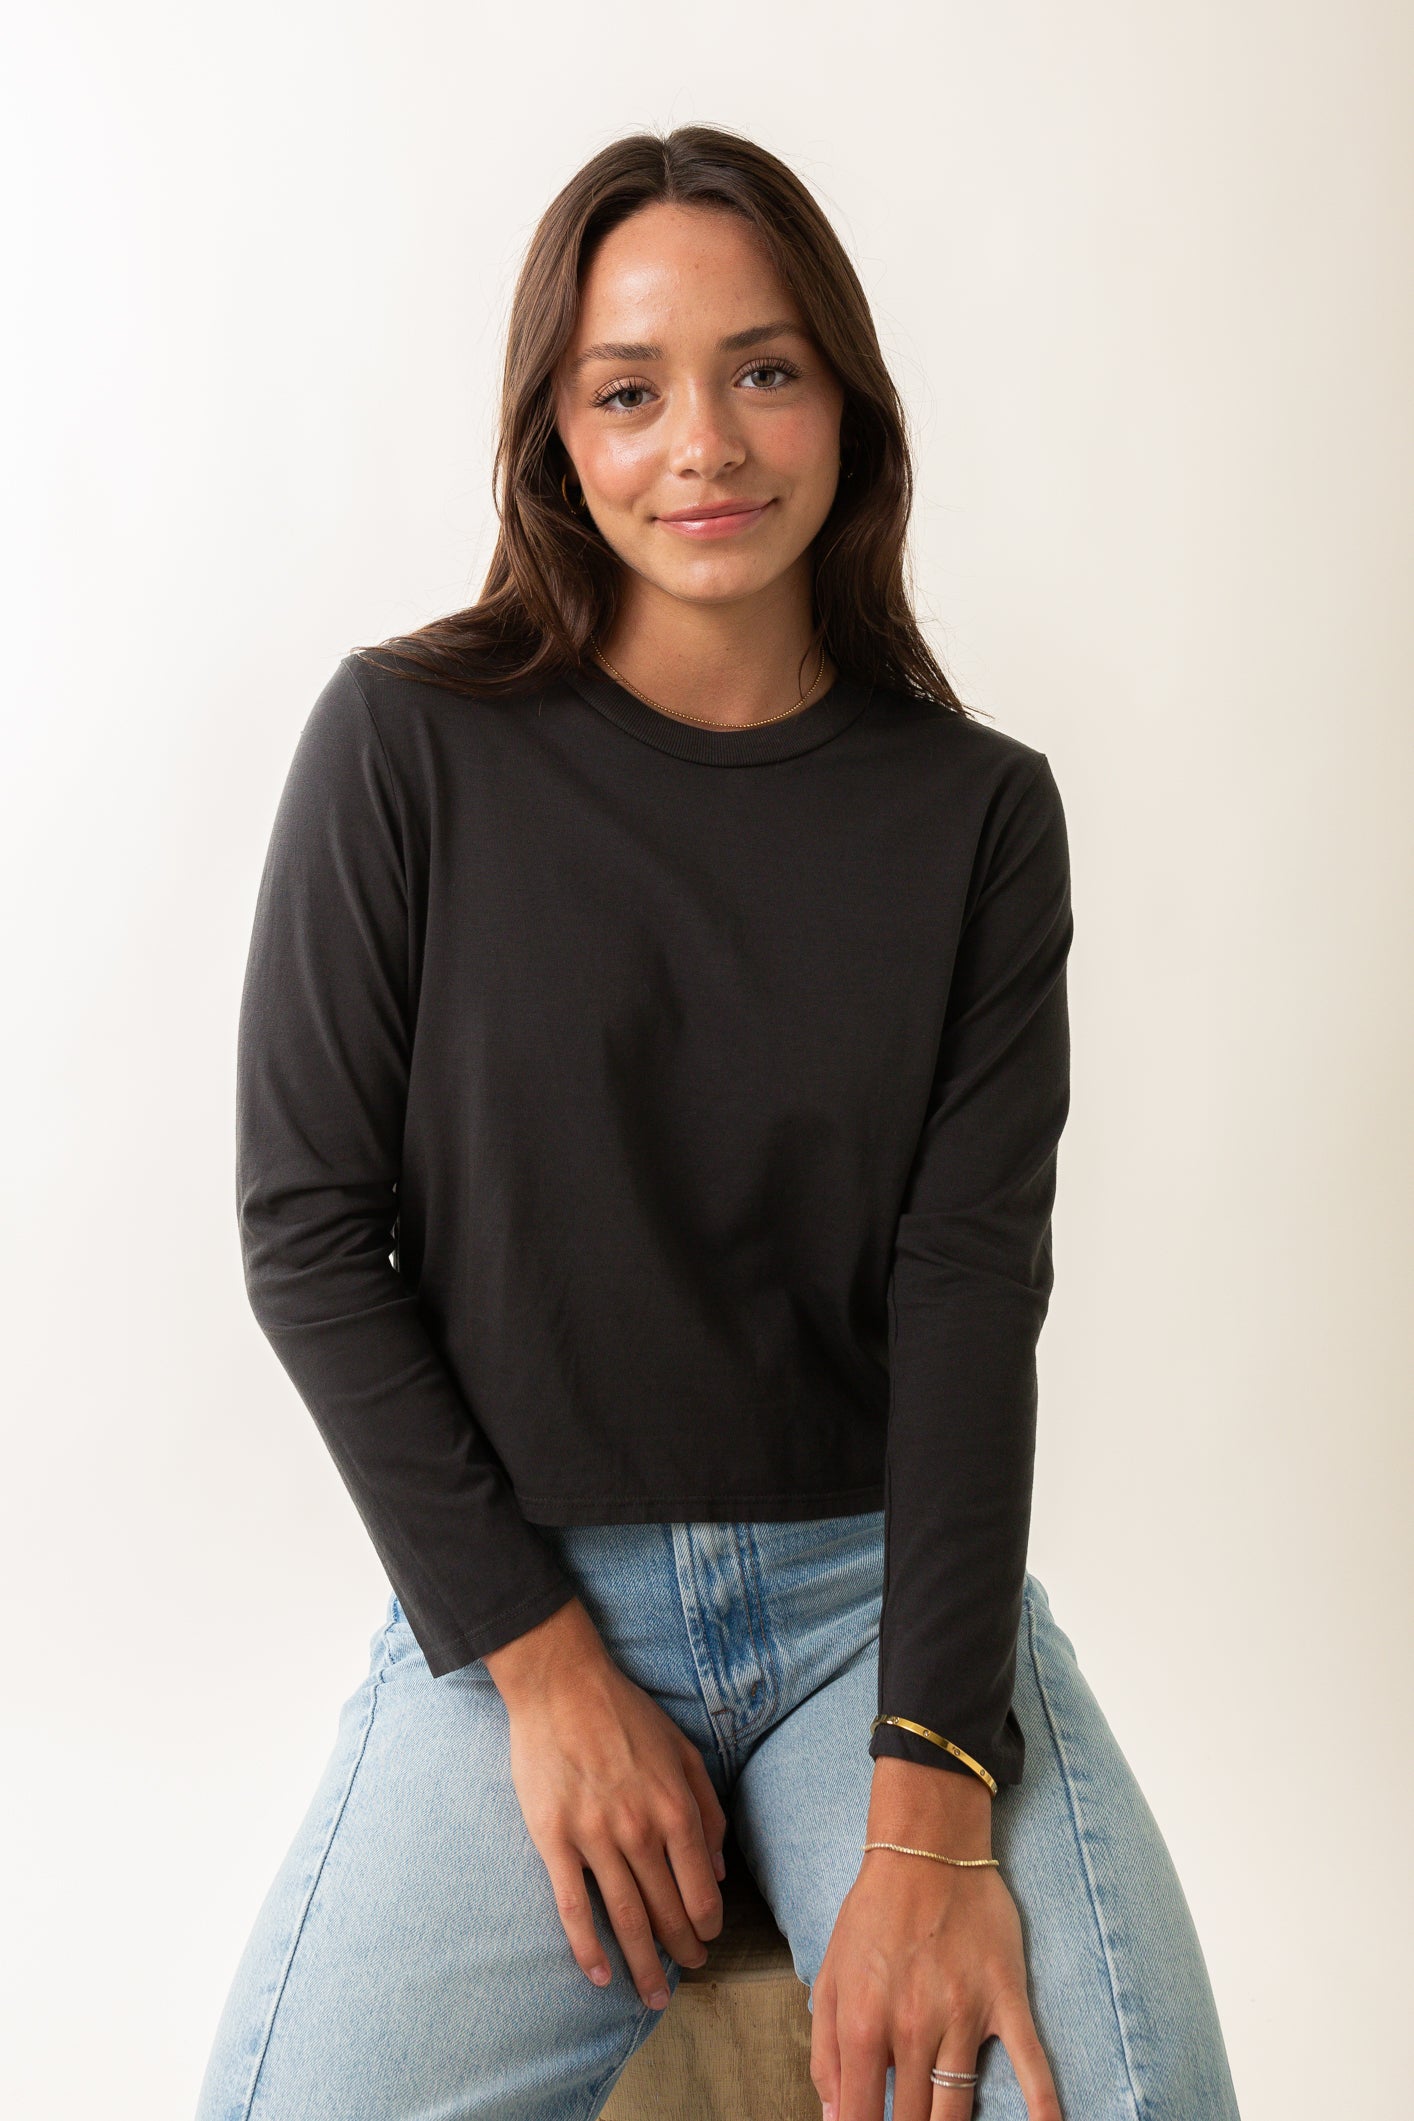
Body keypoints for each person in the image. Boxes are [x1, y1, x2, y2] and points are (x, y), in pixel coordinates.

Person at [194, 125, 1241, 2121]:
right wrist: (541, 1669)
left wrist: (931, 1797)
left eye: (764, 369)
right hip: (526, 1600)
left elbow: (968, 1289)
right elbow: (309, 1231)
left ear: (846, 401)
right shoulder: (406, 746)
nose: (705, 444)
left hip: (879, 1606)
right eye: (628, 389)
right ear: (554, 437)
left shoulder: (975, 816)